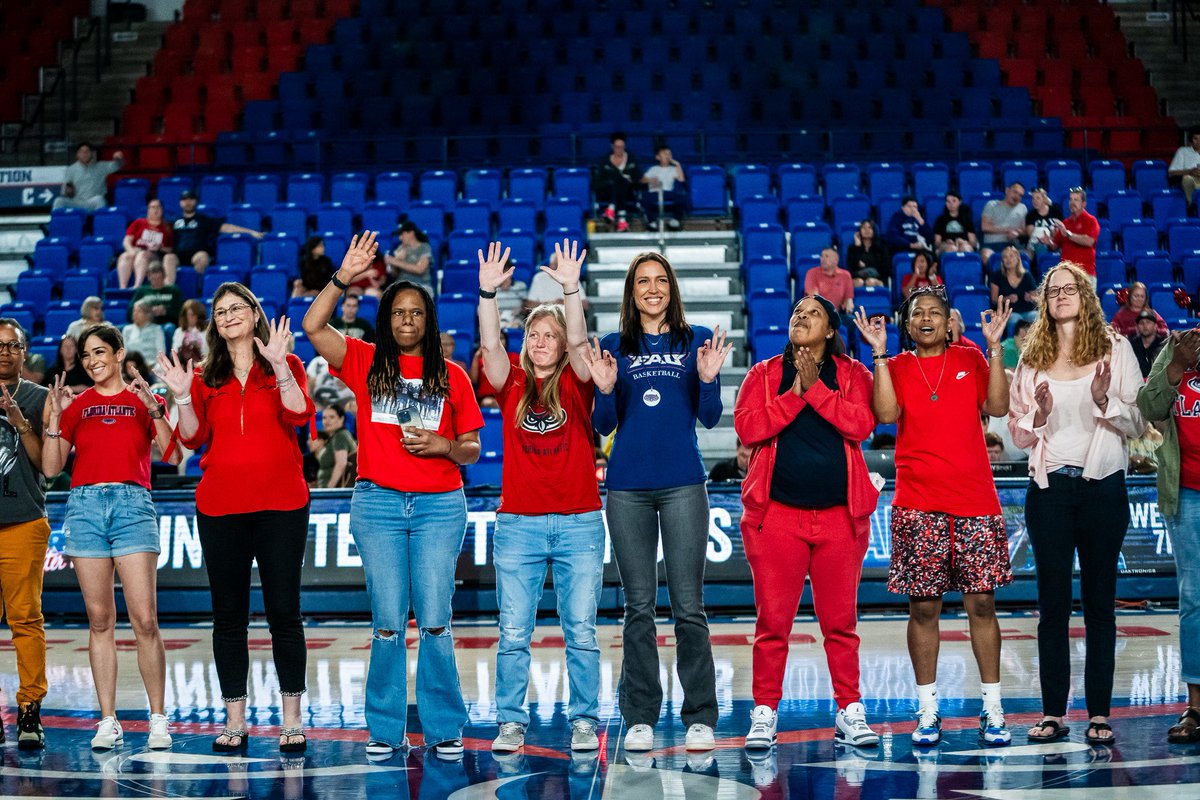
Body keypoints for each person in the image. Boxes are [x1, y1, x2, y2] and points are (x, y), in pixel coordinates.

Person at [301, 231, 483, 758]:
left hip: (438, 506)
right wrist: (344, 275)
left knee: (434, 619)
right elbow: (313, 325)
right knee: (385, 621)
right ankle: (385, 728)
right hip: (377, 504)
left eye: (416, 313)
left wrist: (445, 444)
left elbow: (472, 448)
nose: (407, 320)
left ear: (428, 321)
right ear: (388, 320)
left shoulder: (451, 376)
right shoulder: (363, 360)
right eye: (398, 313)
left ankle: (445, 726)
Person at [157, 284, 314, 753]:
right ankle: (235, 719)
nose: (227, 317)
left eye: (236, 309)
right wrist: (183, 397)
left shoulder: (287, 365)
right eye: (220, 312)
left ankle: (291, 719)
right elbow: (190, 439)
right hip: (220, 508)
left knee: (284, 613)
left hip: (282, 505)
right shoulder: (204, 376)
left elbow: (300, 413)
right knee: (229, 618)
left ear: (254, 313)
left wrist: (282, 367)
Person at [586, 251, 732, 752]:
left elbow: (710, 419)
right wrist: (605, 391)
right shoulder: (612, 345)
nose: (652, 288)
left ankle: (700, 715)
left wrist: (709, 380)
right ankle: (641, 714)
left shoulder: (695, 343)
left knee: (690, 607)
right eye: (643, 281)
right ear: (632, 291)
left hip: (683, 485)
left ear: (671, 288)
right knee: (639, 608)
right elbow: (603, 425)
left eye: (660, 280)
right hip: (627, 488)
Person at [855, 287, 1015, 747]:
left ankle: (993, 707)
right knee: (923, 608)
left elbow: (999, 408)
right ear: (908, 326)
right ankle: (927, 710)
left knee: (982, 604)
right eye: (917, 314)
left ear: (949, 324)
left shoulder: (973, 360)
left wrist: (994, 348)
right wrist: (880, 356)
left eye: (935, 313)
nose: (926, 318)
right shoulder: (899, 366)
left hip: (975, 501)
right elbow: (885, 413)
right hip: (918, 503)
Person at [735, 295, 882, 750]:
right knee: (772, 623)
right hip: (777, 516)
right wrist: (797, 392)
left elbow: (861, 425)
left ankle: (849, 710)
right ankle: (764, 712)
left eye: (813, 313)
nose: (801, 316)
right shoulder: (763, 374)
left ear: (831, 331)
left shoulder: (855, 374)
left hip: (840, 516)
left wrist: (817, 388)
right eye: (797, 311)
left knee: (841, 624)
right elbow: (748, 428)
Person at [477, 239, 606, 754]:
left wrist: (570, 289)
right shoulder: (510, 381)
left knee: (581, 632)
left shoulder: (579, 381)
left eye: (550, 334)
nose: (542, 340)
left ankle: (583, 721)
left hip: (578, 521)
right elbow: (489, 348)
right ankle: (511, 722)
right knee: (513, 633)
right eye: (534, 333)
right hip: (519, 524)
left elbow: (578, 343)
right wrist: (488, 293)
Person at [1008, 262, 1145, 745]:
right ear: (1045, 301)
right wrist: (1041, 416)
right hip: (1048, 493)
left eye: (1070, 289)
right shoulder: (1032, 358)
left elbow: (1138, 422)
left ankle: (1100, 714)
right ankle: (1051, 713)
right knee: (1053, 607)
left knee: (1100, 606)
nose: (1062, 295)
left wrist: (1106, 400)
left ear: (1085, 296)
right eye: (1054, 290)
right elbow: (1019, 434)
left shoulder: (1116, 348)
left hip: (1103, 489)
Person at [41, 323, 177, 751]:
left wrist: (154, 408)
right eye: (86, 356)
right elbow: (49, 468)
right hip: (83, 509)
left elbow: (174, 453)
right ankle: (108, 720)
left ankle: (158, 719)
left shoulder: (143, 398)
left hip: (133, 506)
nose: (93, 361)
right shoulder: (77, 405)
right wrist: (51, 419)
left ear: (119, 353)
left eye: (100, 352)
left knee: (145, 621)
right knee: (99, 621)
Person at [1136, 326, 1200, 743]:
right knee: (1194, 596)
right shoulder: (1178, 346)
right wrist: (1177, 367)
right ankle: (1197, 706)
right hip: (1189, 491)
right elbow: (1148, 405)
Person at [0, 319, 51, 749]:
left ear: (24, 352)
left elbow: (46, 465)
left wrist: (21, 424)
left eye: (12, 345)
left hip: (24, 520)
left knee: (26, 620)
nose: (4, 351)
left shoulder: (40, 398)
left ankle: (29, 709)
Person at [162, 189, 264, 283]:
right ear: (180, 203)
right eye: (185, 200)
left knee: (202, 257)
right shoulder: (174, 221)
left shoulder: (203, 219)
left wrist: (251, 232)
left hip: (197, 254)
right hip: (178, 256)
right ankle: (167, 290)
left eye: (191, 199)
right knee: (168, 258)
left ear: (195, 201)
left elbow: (226, 227)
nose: (188, 202)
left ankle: (198, 288)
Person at [117, 199, 173, 289]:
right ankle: (122, 288)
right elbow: (126, 241)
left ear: (162, 210)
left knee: (142, 255)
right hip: (136, 251)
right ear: (148, 210)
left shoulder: (167, 227)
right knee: (125, 256)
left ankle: (137, 285)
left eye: (158, 207)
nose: (156, 210)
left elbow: (170, 249)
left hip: (155, 255)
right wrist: (131, 251)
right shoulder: (139, 223)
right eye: (153, 207)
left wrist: (160, 248)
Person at [52, 142, 123, 211]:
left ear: (92, 154)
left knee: (99, 200)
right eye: (82, 152)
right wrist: (68, 192)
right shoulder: (70, 169)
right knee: (58, 201)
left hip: (93, 202)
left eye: (87, 151)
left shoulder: (101, 166)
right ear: (77, 155)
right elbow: (65, 192)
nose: (84, 154)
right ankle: (56, 222)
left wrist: (118, 157)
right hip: (76, 202)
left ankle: (101, 222)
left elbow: (118, 165)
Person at [595, 132, 642, 233]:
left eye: (622, 147)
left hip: (628, 191)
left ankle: (611, 209)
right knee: (617, 181)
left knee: (622, 182)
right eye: (617, 147)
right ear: (612, 146)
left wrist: (631, 180)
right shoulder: (604, 161)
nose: (619, 149)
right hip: (607, 192)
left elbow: (638, 178)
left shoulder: (631, 159)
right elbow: (598, 182)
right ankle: (622, 220)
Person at [1049, 189, 1100, 279]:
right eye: (1071, 199)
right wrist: (1049, 240)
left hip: (1085, 274)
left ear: (1084, 204)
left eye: (1076, 200)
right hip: (1066, 274)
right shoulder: (1065, 223)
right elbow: (1054, 246)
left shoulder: (1091, 221)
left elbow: (1089, 241)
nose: (1072, 202)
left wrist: (1068, 234)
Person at [641, 144, 687, 231]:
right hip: (655, 193)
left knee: (681, 198)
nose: (667, 156)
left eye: (669, 154)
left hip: (667, 192)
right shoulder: (653, 169)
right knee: (645, 198)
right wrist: (650, 180)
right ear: (658, 157)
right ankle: (652, 222)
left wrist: (677, 164)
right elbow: (642, 180)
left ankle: (675, 220)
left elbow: (681, 179)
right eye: (664, 154)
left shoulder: (673, 169)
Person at [989, 246, 1039, 324]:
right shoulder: (997, 276)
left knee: (1036, 316)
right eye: (1005, 257)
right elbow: (994, 299)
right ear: (1002, 261)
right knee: (1014, 319)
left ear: (1017, 259)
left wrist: (1031, 298)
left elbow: (1037, 299)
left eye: (1011, 256)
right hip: (1008, 312)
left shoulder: (1027, 275)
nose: (1008, 259)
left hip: (1027, 311)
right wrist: (1006, 299)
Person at [980, 182, 1028, 264]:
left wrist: (1018, 234)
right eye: (1015, 192)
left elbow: (1024, 231)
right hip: (992, 244)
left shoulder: (1022, 208)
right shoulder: (991, 205)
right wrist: (1007, 230)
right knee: (986, 256)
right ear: (1007, 191)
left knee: (1027, 255)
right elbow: (985, 227)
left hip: (1013, 245)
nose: (1017, 196)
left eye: (1020, 195)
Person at [314, 404, 357, 488]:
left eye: (332, 417)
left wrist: (329, 490)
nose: (327, 421)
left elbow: (341, 464)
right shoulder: (335, 437)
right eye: (324, 418)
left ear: (341, 419)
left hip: (334, 495)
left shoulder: (340, 436)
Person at [384, 221, 434, 293]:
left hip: (420, 286)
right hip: (401, 286)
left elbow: (420, 269)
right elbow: (394, 274)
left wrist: (395, 261)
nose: (400, 238)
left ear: (411, 233)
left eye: (402, 234)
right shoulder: (400, 248)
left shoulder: (424, 247)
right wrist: (395, 262)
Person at [128, 262, 184, 326]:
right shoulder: (142, 291)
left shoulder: (173, 290)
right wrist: (147, 312)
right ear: (149, 278)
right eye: (153, 279)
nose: (156, 282)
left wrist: (166, 311)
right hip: (145, 324)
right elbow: (130, 311)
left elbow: (181, 311)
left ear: (164, 276)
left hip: (167, 323)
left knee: (170, 327)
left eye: (159, 278)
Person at [803, 248, 856, 313]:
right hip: (817, 313)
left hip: (837, 314)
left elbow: (848, 298)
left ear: (836, 260)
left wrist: (848, 303)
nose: (823, 259)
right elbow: (814, 297)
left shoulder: (845, 275)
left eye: (827, 256)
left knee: (854, 321)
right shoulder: (812, 273)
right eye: (822, 256)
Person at [846, 219, 889, 288]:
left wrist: (865, 265)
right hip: (858, 277)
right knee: (859, 282)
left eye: (870, 227)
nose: (867, 230)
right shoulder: (852, 248)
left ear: (874, 231)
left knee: (870, 282)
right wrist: (857, 247)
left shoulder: (881, 248)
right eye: (864, 228)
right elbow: (851, 268)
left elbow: (885, 268)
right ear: (859, 231)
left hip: (877, 277)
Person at [123, 299, 167, 366]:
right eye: (134, 311)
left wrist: (152, 366)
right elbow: (124, 353)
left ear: (148, 314)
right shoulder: (127, 330)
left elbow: (161, 353)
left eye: (139, 311)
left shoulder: (157, 329)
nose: (135, 314)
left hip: (152, 366)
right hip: (132, 367)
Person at [1025, 187, 1063, 262]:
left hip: (1055, 240)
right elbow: (1031, 234)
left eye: (1038, 198)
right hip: (1039, 242)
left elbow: (1062, 228)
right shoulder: (1031, 215)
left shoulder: (1055, 211)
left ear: (1044, 199)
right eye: (1033, 198)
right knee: (1041, 247)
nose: (1035, 201)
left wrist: (1052, 238)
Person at [1130, 309, 1168, 379]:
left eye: (1148, 322)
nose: (1145, 326)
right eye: (1141, 323)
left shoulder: (1164, 344)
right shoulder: (1131, 345)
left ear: (1155, 326)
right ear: (1137, 327)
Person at [1169, 126, 1200, 207]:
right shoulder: (1183, 151)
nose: (1198, 142)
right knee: (1187, 179)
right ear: (1191, 140)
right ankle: (1192, 205)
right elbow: (1171, 172)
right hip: (1191, 179)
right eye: (1195, 139)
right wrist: (1189, 172)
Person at [172, 299, 209, 364]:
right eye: (187, 315)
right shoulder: (179, 331)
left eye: (193, 315)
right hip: (183, 366)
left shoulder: (207, 332)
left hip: (203, 365)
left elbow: (209, 353)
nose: (189, 318)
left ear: (199, 316)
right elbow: (174, 353)